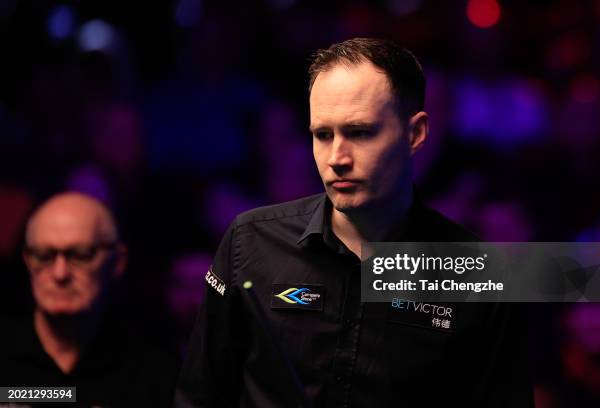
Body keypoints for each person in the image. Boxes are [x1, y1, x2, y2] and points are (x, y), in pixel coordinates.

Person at [176, 38, 534, 407]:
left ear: (415, 134)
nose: (337, 158)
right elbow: (200, 396)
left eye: (360, 133)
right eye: (322, 135)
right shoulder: (248, 243)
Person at [0, 192, 178, 407]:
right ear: (27, 260)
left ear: (118, 261)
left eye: (81, 255)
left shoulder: (157, 368)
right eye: (43, 255)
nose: (60, 273)